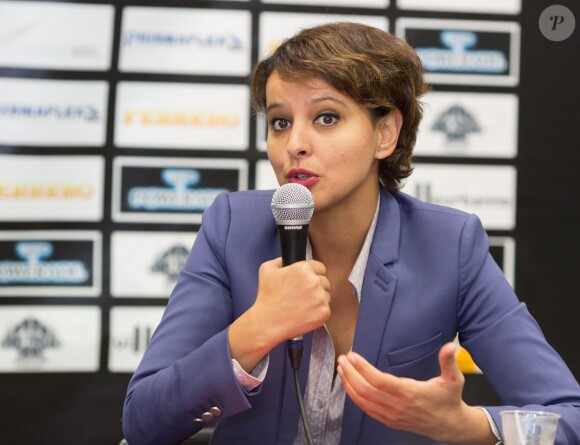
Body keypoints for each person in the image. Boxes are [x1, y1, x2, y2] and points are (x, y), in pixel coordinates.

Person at [122, 22, 580, 445]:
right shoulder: (231, 228)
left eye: (326, 118)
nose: (295, 143)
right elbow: (143, 422)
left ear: (386, 133)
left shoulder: (450, 246)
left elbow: (568, 415)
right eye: (281, 122)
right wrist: (253, 331)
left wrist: (471, 427)